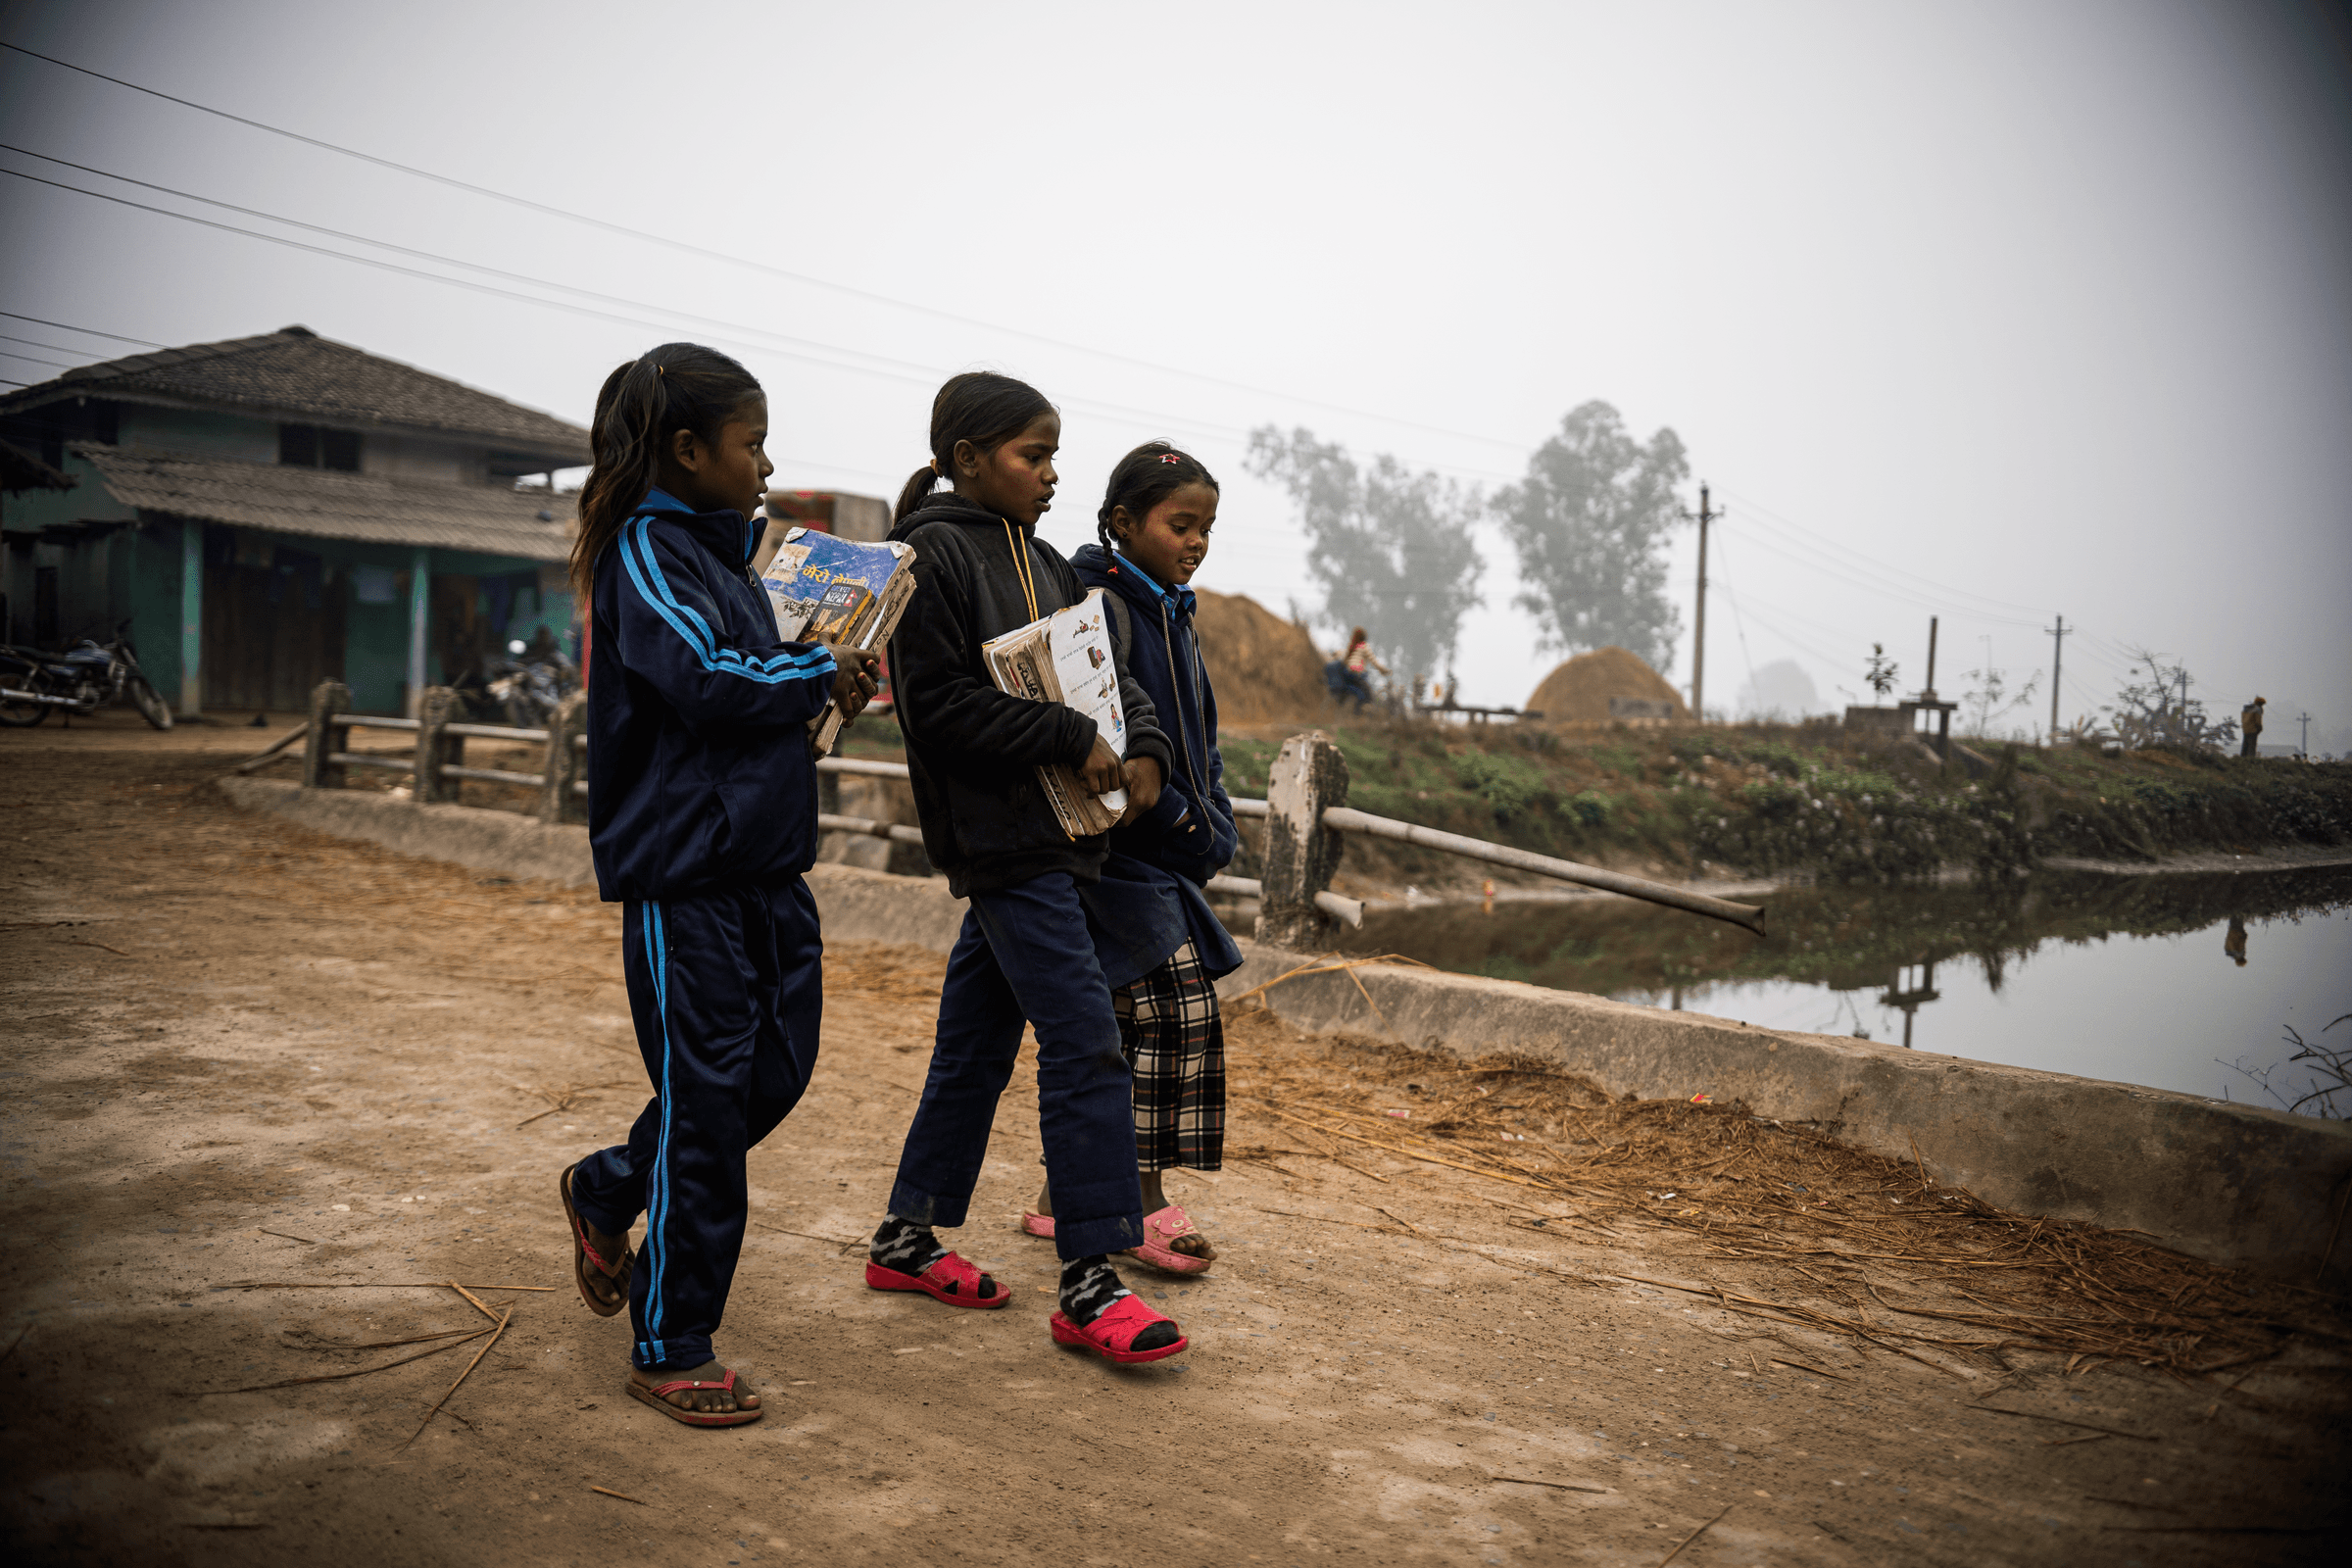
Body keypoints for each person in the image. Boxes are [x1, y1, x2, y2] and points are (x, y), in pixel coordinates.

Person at [555, 343, 879, 1428]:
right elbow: (702, 675)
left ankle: (608, 1184)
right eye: (752, 443)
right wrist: (809, 673)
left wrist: (831, 682)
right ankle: (672, 1337)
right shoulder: (646, 551)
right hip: (685, 873)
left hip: (769, 866)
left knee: (772, 1075)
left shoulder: (736, 562)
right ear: (688, 450)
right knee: (706, 1102)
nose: (766, 463)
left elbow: (753, 690)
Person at [866, 373, 1190, 1365]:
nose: (1052, 476)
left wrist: (1144, 749)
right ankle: (1093, 1279)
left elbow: (1114, 671)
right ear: (969, 459)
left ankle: (907, 1236)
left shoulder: (1048, 563)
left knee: (973, 1046)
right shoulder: (929, 558)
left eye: (1054, 455)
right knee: (1087, 1044)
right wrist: (1060, 729)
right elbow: (937, 708)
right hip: (1006, 849)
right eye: (1032, 455)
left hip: (1062, 842)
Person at [1007, 441, 1245, 1275]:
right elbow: (1112, 742)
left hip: (1170, 849)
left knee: (1123, 1020)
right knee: (1167, 1016)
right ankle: (1135, 1202)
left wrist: (1212, 814)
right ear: (1120, 522)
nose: (1196, 543)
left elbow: (1199, 738)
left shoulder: (1172, 608)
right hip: (1118, 857)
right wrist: (1190, 825)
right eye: (1181, 524)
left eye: (1206, 528)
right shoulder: (1101, 608)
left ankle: (1060, 1196)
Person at [1325, 627, 1385, 710]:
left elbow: (1344, 658)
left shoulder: (1351, 646)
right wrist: (1383, 670)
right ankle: (1364, 706)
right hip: (1357, 673)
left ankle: (1346, 700)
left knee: (1354, 689)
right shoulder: (1364, 646)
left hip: (1347, 673)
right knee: (1367, 691)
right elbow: (1373, 661)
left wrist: (1335, 655)